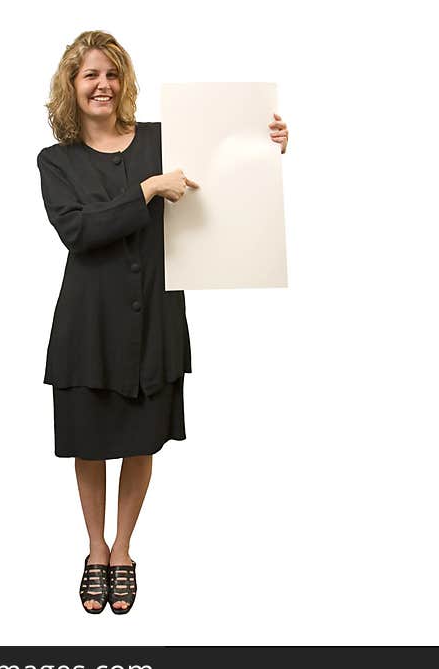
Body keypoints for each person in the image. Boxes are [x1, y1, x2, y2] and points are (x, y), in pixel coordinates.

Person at [36, 30, 289, 615]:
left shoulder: (160, 138)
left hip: (156, 311)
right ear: (70, 87)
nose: (102, 85)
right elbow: (80, 231)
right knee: (91, 441)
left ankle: (123, 551)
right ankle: (94, 550)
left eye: (112, 74)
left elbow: (224, 167)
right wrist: (148, 189)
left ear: (124, 82)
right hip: (89, 322)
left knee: (141, 438)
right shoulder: (56, 160)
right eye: (89, 75)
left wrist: (267, 141)